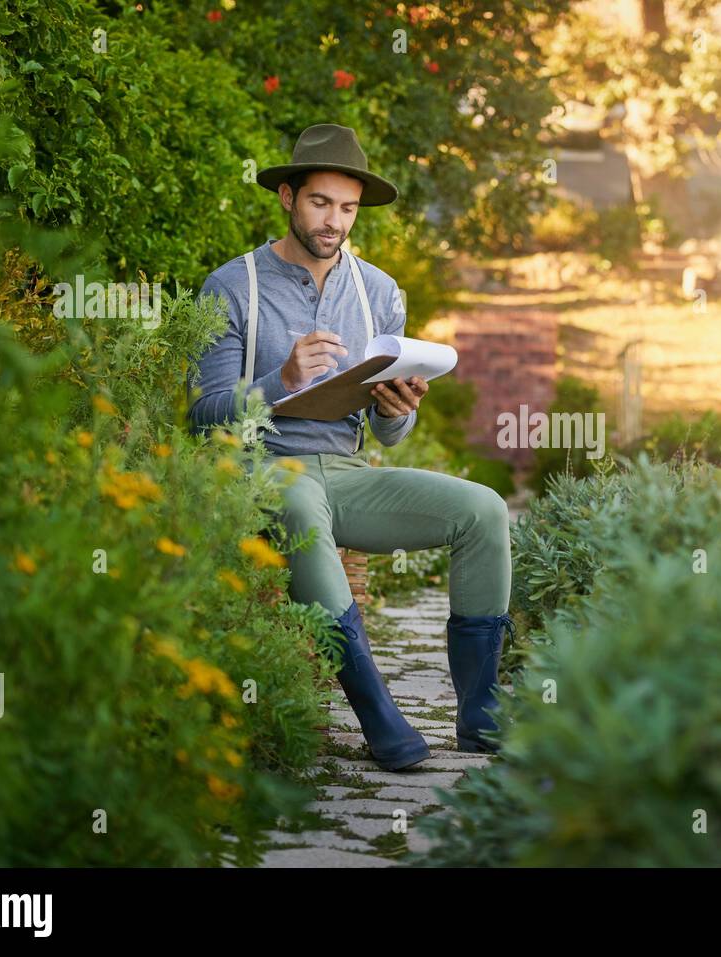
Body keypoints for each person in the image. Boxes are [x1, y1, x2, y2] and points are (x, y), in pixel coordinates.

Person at [186, 123, 513, 770]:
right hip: (266, 467)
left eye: (347, 208)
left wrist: (399, 410)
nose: (334, 221)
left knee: (485, 510)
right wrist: (280, 379)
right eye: (319, 203)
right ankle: (378, 715)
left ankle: (480, 715)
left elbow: (389, 434)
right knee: (304, 514)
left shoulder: (379, 291)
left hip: (348, 469)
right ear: (287, 196)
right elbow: (204, 417)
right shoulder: (232, 286)